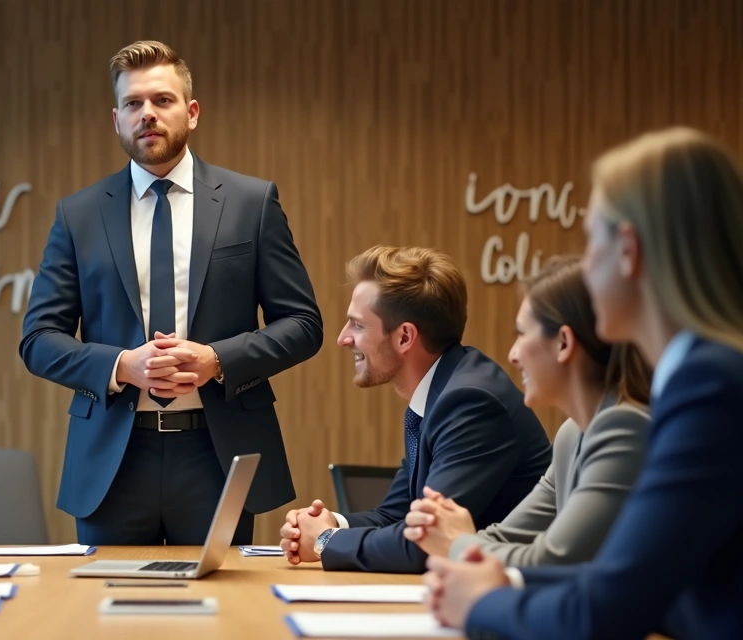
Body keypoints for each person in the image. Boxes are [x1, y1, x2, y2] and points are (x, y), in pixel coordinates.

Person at [425, 127, 743, 639]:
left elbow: (604, 611)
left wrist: (482, 602)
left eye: (592, 238)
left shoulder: (710, 386)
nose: (585, 265)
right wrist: (504, 579)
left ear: (628, 250)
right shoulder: (707, 376)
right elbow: (641, 587)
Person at [19, 40, 323, 546]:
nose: (148, 114)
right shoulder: (79, 215)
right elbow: (38, 339)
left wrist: (216, 360)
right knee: (108, 599)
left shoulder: (251, 203)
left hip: (217, 454)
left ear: (192, 112)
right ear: (117, 119)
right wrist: (122, 366)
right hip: (112, 461)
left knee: (222, 600)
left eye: (162, 100)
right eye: (133, 103)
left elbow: (303, 324)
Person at [278, 246, 552, 573]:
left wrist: (325, 540)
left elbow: (425, 541)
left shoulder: (470, 403)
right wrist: (329, 523)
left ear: (405, 337)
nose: (343, 338)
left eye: (358, 325)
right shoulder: (441, 391)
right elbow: (398, 515)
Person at [402, 255, 651, 566]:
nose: (513, 354)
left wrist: (457, 543)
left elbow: (551, 558)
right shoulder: (571, 434)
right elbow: (505, 537)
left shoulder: (624, 428)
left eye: (521, 333)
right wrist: (453, 537)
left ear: (563, 343)